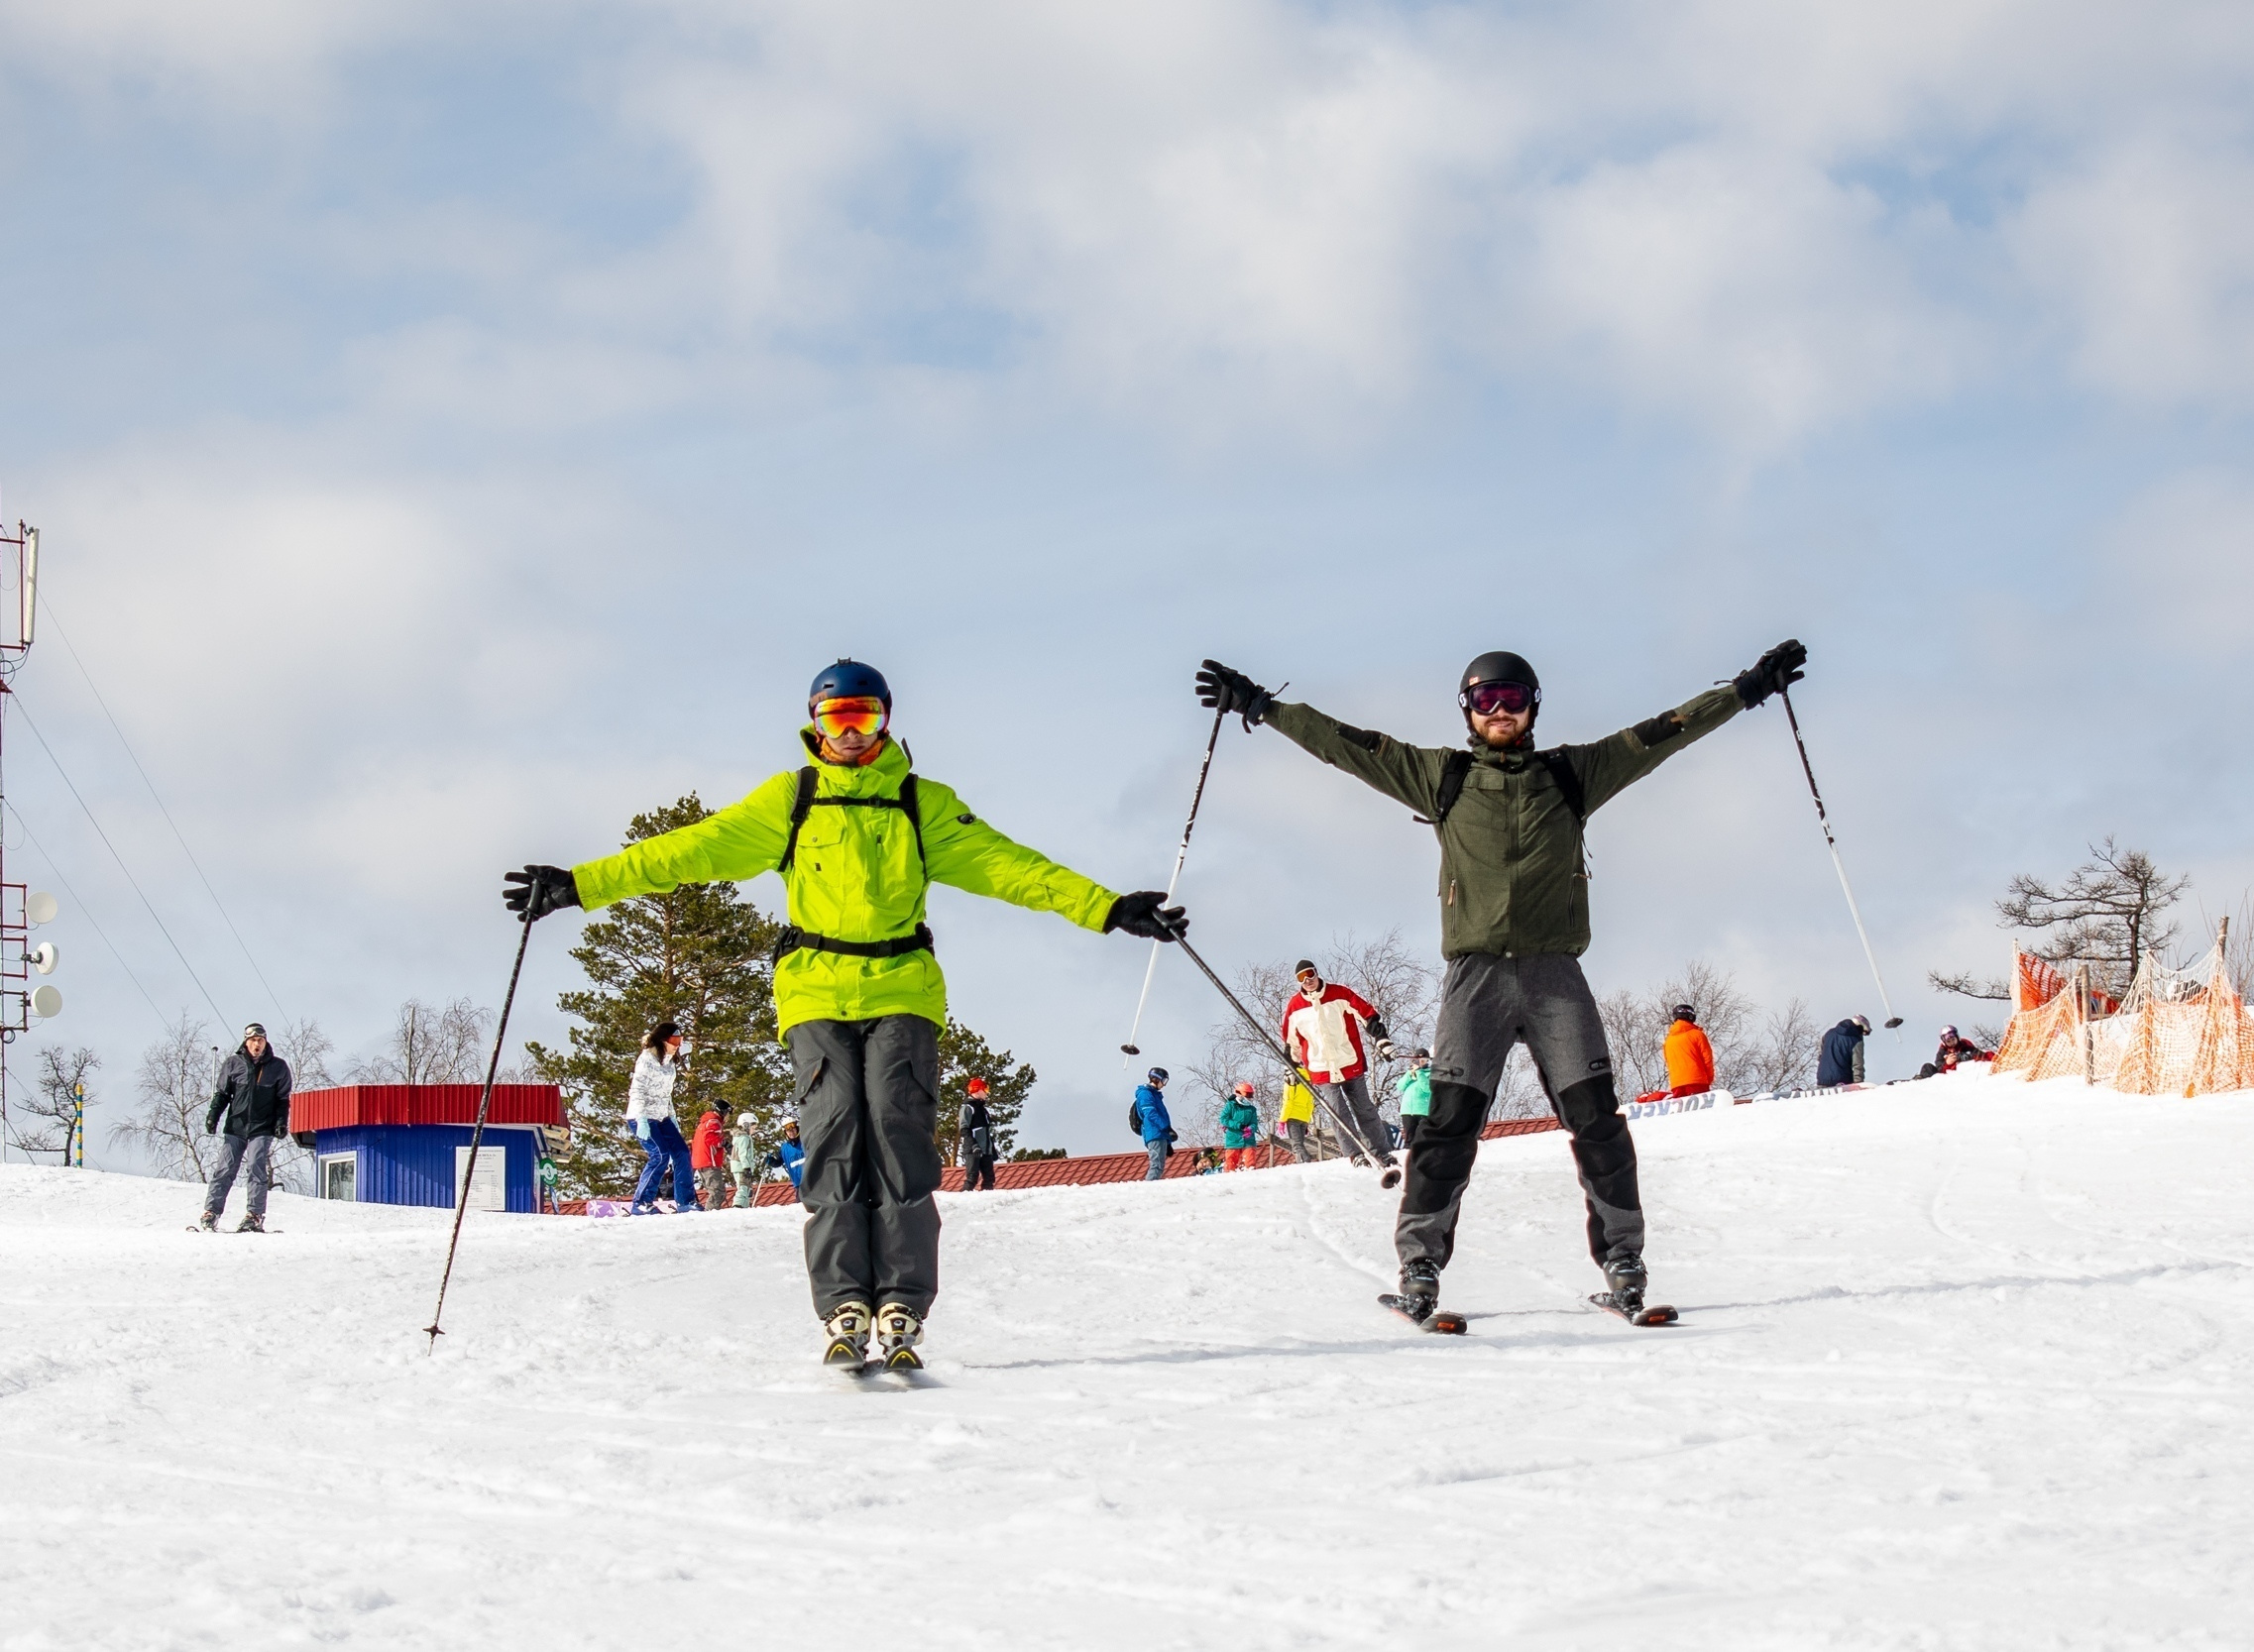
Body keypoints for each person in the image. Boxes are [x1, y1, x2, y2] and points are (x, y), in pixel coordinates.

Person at [505, 658, 1184, 1370]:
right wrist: (579, 885)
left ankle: (902, 1301)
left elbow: (1013, 867)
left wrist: (1107, 907)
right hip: (816, 993)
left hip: (902, 988)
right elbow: (687, 850)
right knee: (831, 1140)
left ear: (887, 720)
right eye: (837, 718)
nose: (852, 733)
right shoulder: (791, 802)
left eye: (865, 717)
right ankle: (843, 1302)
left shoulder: (920, 803)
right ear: (815, 723)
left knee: (898, 1136)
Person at [1196, 637, 1806, 1324]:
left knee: (1598, 1122)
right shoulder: (1443, 778)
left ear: (1532, 708)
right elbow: (1345, 744)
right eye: (1486, 700)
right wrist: (1262, 707)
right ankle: (1419, 1266)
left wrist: (1747, 689)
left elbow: (1665, 732)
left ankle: (1625, 1261)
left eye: (1512, 699)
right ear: (1467, 710)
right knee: (1446, 1128)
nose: (1499, 711)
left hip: (1555, 978)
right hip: (1476, 980)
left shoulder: (1574, 774)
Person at [1281, 961, 1397, 1165]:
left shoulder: (1339, 993)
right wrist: (1291, 1066)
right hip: (1321, 1068)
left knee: (1364, 1108)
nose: (1307, 980)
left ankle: (1380, 1150)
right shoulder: (1295, 1007)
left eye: (1310, 974)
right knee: (1338, 1112)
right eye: (1301, 978)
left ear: (1317, 973)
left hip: (1349, 1060)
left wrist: (1382, 1039)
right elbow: (1292, 1042)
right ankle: (1355, 1154)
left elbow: (1367, 1014)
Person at [199, 1023, 293, 1233]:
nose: (257, 1044)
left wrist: (280, 1123)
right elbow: (222, 1095)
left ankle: (254, 1215)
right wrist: (213, 1117)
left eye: (260, 1040)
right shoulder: (233, 1064)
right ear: (246, 1042)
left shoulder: (278, 1067)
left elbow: (282, 1099)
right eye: (253, 1041)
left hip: (262, 1128)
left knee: (256, 1168)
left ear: (265, 1042)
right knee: (224, 1169)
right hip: (236, 1126)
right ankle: (211, 1212)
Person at [627, 1023, 697, 1213]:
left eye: (680, 1041)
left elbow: (666, 1095)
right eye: (675, 1040)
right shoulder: (646, 1060)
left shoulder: (670, 1064)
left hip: (662, 1117)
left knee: (682, 1153)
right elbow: (637, 1090)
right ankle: (641, 1203)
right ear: (663, 1040)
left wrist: (672, 1117)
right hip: (642, 1116)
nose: (678, 1045)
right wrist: (641, 1119)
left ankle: (685, 1201)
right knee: (659, 1156)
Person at [1664, 1005, 1715, 1098]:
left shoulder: (1668, 1040)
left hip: (1676, 1084)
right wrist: (1709, 1079)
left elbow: (1668, 1062)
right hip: (1697, 1082)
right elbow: (1707, 1059)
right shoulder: (1698, 1035)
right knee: (1702, 1112)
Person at [1135, 1066, 1176, 1180]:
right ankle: (1149, 1187)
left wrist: (1168, 1142)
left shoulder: (1154, 1094)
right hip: (1154, 1132)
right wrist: (1166, 1128)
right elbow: (1150, 1114)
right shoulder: (1145, 1094)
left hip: (1159, 1133)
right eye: (1164, 1081)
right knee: (1156, 1165)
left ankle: (1152, 1185)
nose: (1164, 1084)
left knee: (1159, 1165)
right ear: (1157, 1079)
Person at [959, 1076, 997, 1192]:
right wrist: (974, 1145)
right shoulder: (968, 1107)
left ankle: (987, 1200)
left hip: (986, 1149)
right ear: (978, 1090)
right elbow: (964, 1129)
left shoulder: (983, 1109)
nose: (987, 1093)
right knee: (972, 1178)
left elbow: (986, 1131)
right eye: (985, 1090)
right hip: (973, 1149)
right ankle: (962, 1199)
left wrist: (992, 1149)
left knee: (989, 1178)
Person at [1818, 1015, 1872, 1088]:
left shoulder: (1828, 1033)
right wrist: (1858, 1084)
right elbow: (1858, 1064)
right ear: (1860, 1027)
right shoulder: (1856, 1040)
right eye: (1863, 1032)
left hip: (1822, 1079)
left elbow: (1820, 1055)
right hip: (1843, 1082)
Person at [1395, 1048, 1433, 1150]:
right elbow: (1400, 1086)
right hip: (1407, 1110)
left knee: (1422, 1137)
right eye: (1417, 1060)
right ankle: (1408, 1155)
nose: (1420, 1063)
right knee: (1409, 1137)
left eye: (1423, 1060)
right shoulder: (1410, 1074)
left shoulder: (1430, 1074)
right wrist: (1409, 1074)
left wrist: (1419, 1073)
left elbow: (1427, 1088)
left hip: (1422, 1111)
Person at [692, 1103, 728, 1210]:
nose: (728, 1116)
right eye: (728, 1113)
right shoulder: (713, 1122)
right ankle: (709, 1214)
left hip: (702, 1161)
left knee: (715, 1191)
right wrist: (724, 1143)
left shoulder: (705, 1122)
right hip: (709, 1161)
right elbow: (709, 1137)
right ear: (723, 1111)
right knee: (718, 1192)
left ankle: (710, 1213)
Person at [1219, 1080, 1261, 1170]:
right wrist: (1238, 1125)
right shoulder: (1230, 1106)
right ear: (1240, 1094)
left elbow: (1254, 1123)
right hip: (1233, 1140)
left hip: (1248, 1140)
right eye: (1248, 1095)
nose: (1250, 1098)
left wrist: (1250, 1129)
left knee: (1250, 1163)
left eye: (1251, 1095)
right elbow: (1223, 1119)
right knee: (1231, 1164)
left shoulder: (1252, 1109)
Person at [765, 1116, 808, 1196]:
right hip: (799, 1185)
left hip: (813, 1181)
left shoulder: (806, 1141)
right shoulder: (784, 1148)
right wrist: (770, 1160)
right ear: (785, 1133)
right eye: (788, 1131)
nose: (791, 1132)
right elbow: (778, 1162)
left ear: (797, 1129)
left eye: (793, 1129)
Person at [1279, 1075, 1315, 1162]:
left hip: (1293, 1118)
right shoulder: (1307, 1082)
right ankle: (1305, 1161)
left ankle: (1306, 1162)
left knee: (1297, 1146)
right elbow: (1310, 1104)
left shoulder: (1290, 1082)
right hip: (1304, 1118)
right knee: (1300, 1144)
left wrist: (1282, 1120)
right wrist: (1307, 1120)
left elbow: (1288, 1103)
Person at [728, 1109, 760, 1207]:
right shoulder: (744, 1138)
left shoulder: (742, 1137)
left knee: (747, 1188)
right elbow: (743, 1154)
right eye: (753, 1127)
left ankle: (745, 1205)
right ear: (746, 1125)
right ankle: (738, 1205)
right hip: (741, 1167)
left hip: (740, 1166)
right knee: (743, 1187)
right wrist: (746, 1167)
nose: (754, 1130)